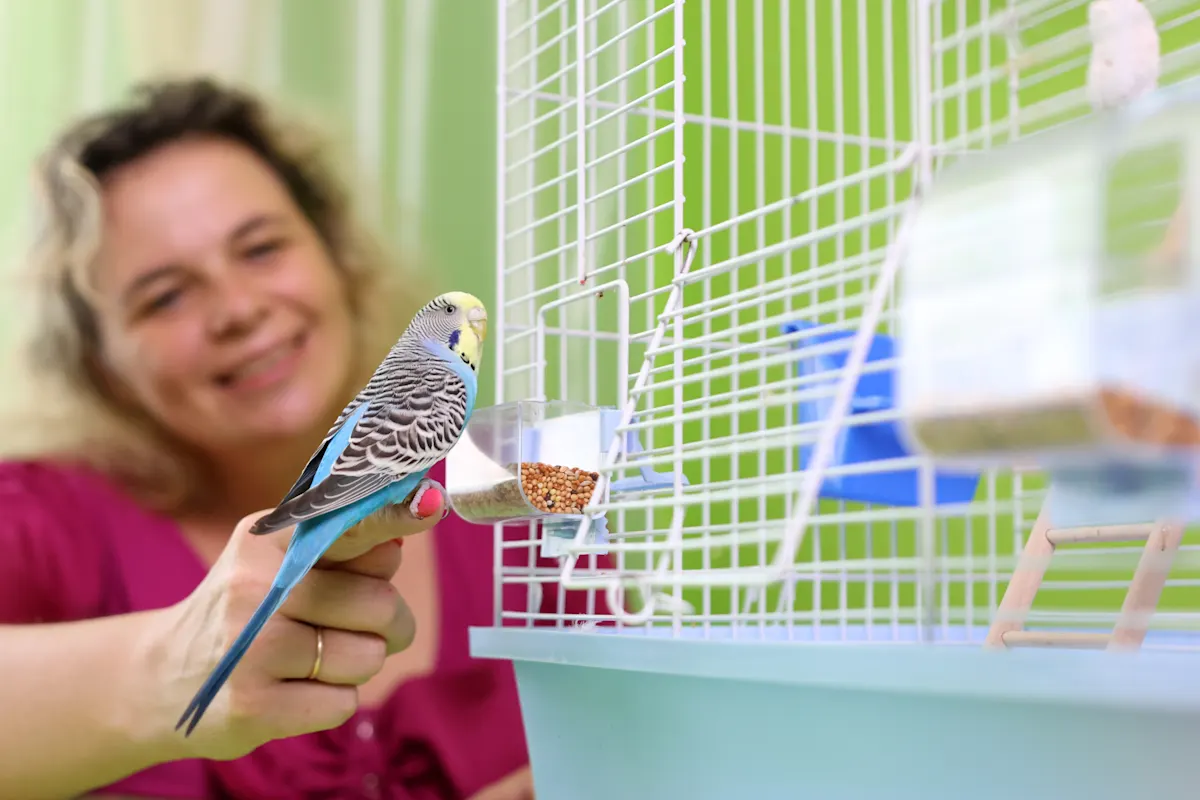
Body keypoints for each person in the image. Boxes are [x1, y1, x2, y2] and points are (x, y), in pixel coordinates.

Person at [0, 76, 596, 800]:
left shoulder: (516, 485)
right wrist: (166, 666)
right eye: (165, 295)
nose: (240, 309)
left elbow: (649, 735)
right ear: (104, 365)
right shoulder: (41, 521)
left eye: (260, 249)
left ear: (337, 260)